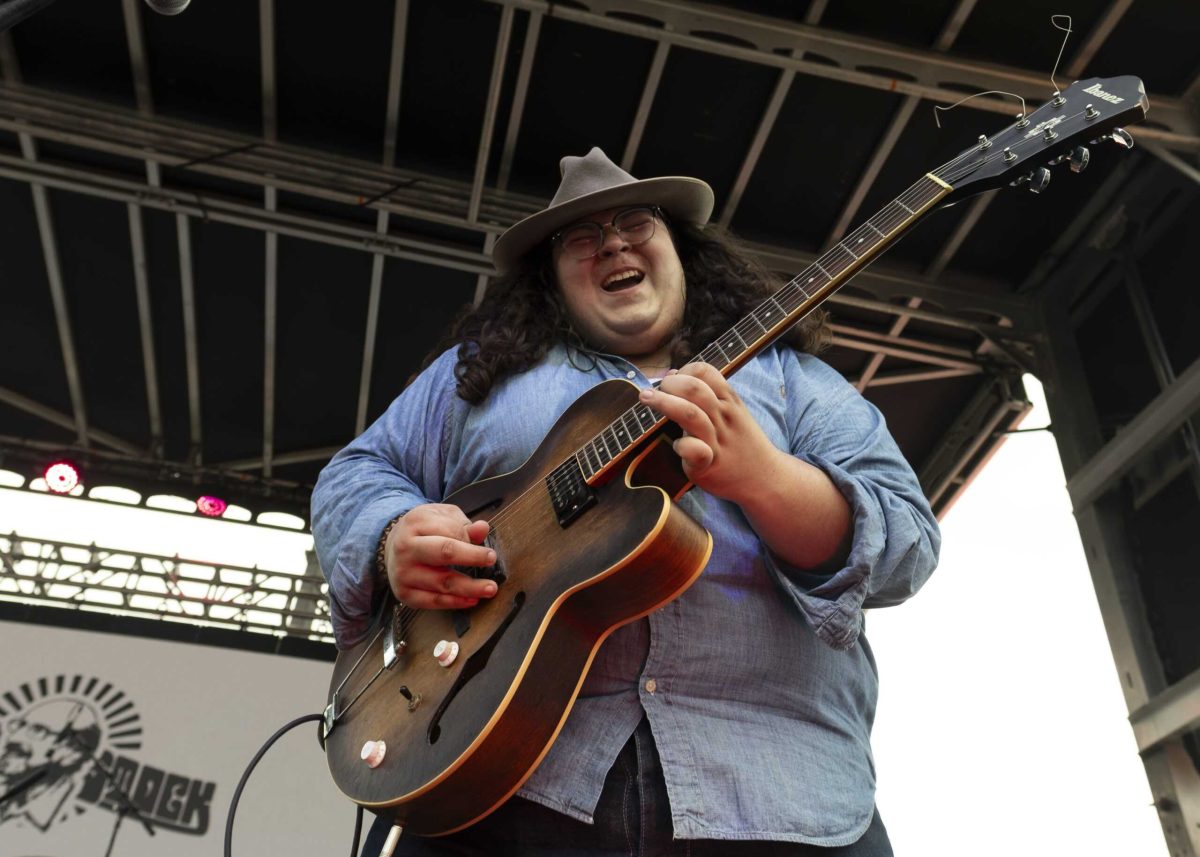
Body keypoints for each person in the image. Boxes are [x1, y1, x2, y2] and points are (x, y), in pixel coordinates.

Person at [311, 147, 940, 856]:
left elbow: (907, 547)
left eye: (638, 222)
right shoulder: (477, 378)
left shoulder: (798, 382)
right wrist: (391, 534)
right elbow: (355, 472)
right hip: (496, 771)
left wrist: (765, 476)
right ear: (551, 280)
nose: (613, 242)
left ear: (681, 251)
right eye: (582, 238)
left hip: (774, 788)